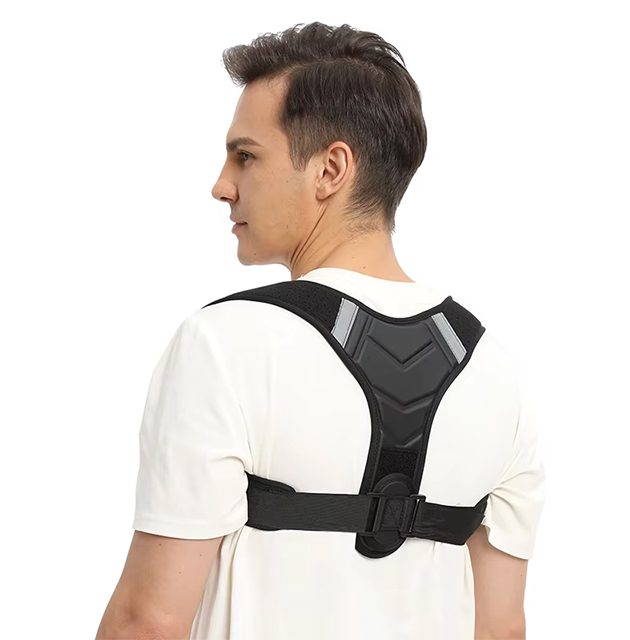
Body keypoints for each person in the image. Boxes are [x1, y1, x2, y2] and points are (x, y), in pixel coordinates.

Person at [96, 21, 545, 640]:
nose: (222, 186)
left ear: (331, 169)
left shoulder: (224, 345)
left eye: (246, 155)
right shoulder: (498, 373)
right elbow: (500, 630)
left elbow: (147, 622)